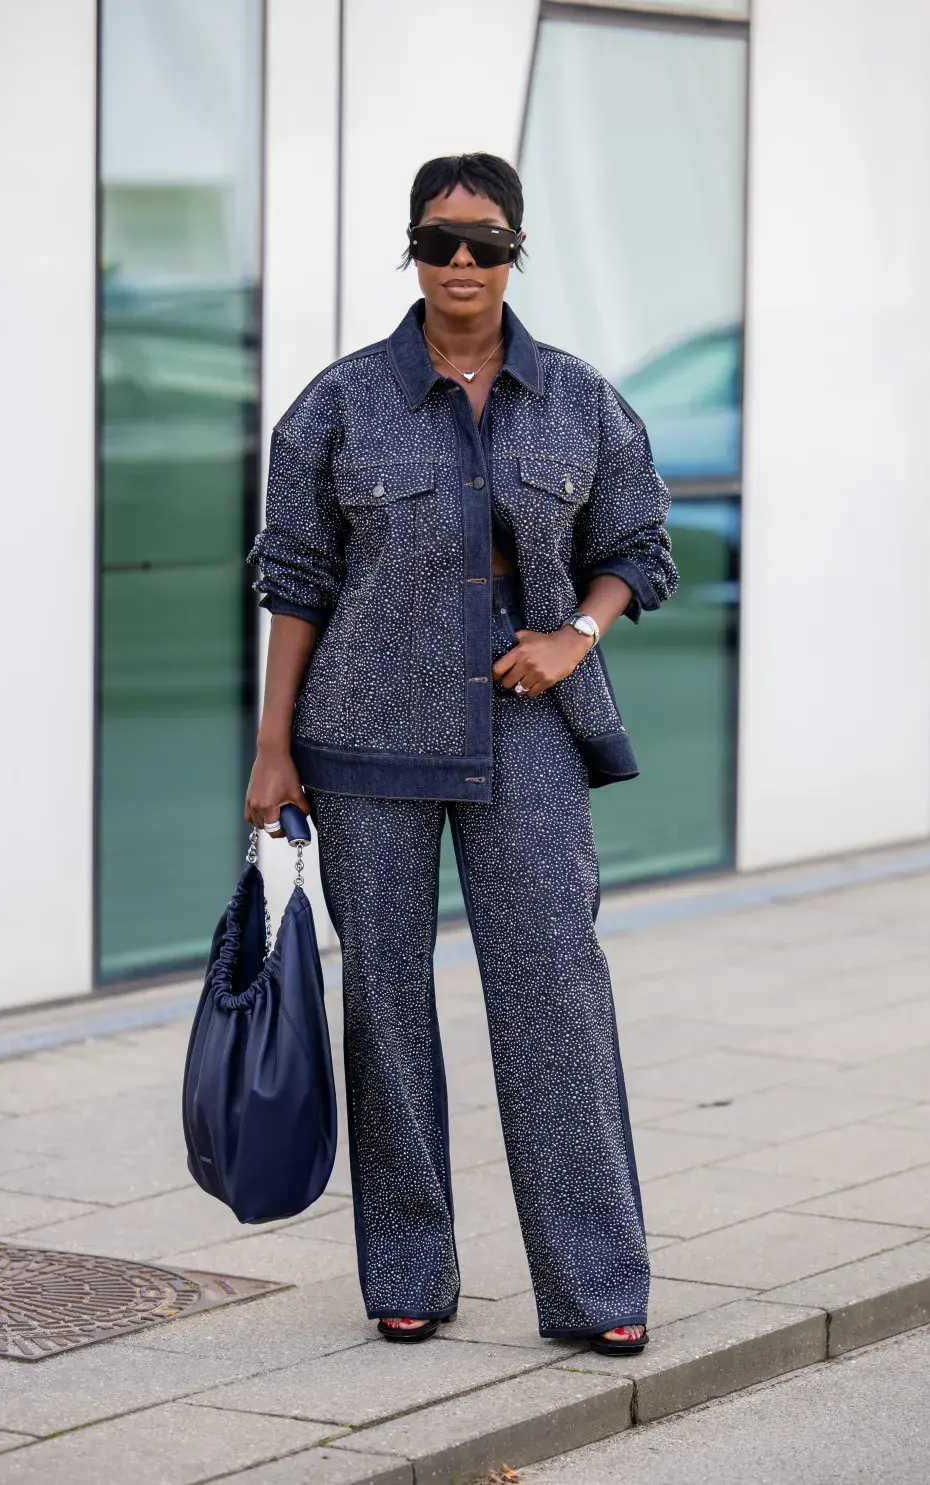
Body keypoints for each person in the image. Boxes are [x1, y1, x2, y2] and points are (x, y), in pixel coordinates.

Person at [245, 152, 678, 1354]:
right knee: (384, 1010)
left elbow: (642, 549)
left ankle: (597, 1293)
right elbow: (294, 582)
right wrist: (273, 753)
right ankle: (410, 1274)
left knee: (556, 1005)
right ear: (414, 251)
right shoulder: (338, 403)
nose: (462, 264)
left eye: (485, 243)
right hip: (362, 744)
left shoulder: (581, 400)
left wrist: (572, 637)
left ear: (515, 251)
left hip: (529, 733)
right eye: (440, 241)